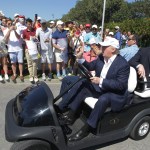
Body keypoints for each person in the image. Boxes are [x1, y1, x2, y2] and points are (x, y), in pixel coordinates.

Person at [57, 37, 130, 141]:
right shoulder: (101, 57)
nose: (101, 48)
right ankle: (70, 116)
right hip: (102, 89)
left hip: (115, 94)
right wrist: (80, 57)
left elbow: (120, 85)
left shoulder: (123, 64)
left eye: (104, 46)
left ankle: (87, 128)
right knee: (83, 86)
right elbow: (90, 66)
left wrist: (101, 81)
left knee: (103, 99)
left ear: (113, 49)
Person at [22, 18, 39, 82]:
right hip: (28, 49)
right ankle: (31, 76)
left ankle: (35, 76)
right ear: (26, 24)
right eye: (28, 24)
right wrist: (26, 40)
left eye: (30, 24)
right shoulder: (24, 31)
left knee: (35, 64)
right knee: (29, 63)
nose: (29, 25)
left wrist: (35, 38)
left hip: (34, 49)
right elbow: (23, 38)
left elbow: (37, 39)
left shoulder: (35, 30)